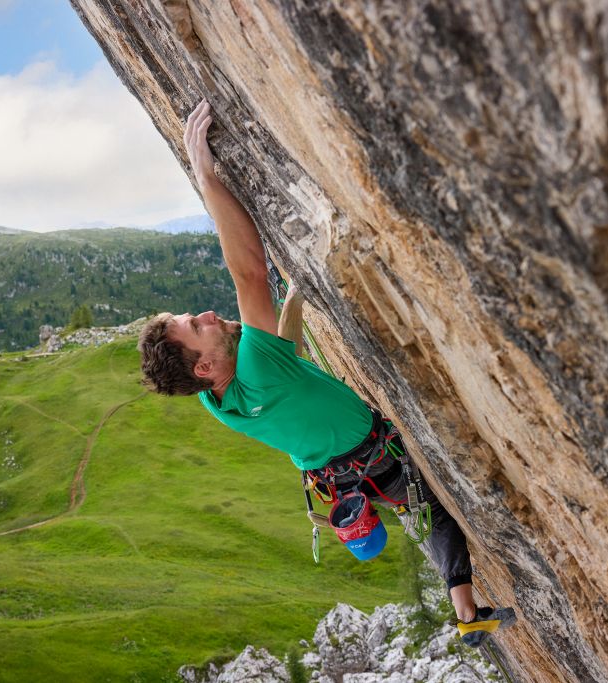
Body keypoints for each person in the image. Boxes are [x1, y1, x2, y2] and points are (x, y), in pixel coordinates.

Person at [137, 99, 515, 646]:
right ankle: (466, 610)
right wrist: (205, 175)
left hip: (337, 474)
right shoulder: (252, 369)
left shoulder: (216, 398)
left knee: (425, 518)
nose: (206, 314)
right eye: (194, 324)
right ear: (203, 363)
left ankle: (467, 612)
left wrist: (295, 297)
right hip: (370, 454)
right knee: (434, 514)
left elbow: (282, 358)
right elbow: (247, 270)